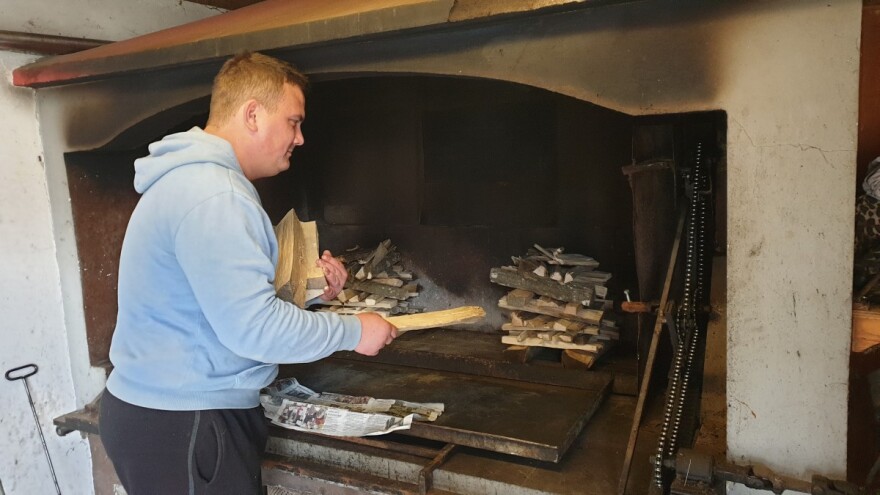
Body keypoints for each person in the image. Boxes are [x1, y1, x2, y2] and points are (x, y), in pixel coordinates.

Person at [98, 51, 397, 494]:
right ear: (253, 114)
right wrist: (356, 332)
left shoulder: (192, 181)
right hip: (186, 423)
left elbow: (212, 306)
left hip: (162, 417)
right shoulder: (216, 195)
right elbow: (253, 329)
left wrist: (310, 294)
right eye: (293, 122)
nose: (300, 138)